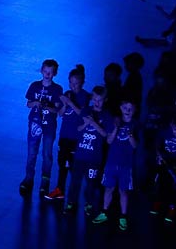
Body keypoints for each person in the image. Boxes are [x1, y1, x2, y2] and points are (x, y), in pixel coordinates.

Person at [93, 99, 141, 230]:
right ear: (121, 108)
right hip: (111, 162)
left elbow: (135, 145)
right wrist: (116, 127)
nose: (128, 111)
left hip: (126, 165)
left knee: (123, 191)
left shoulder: (136, 124)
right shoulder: (115, 121)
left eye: (130, 108)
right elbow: (108, 141)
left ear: (134, 110)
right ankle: (104, 212)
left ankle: (123, 216)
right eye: (125, 107)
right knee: (108, 188)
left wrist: (130, 132)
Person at [64, 87, 111, 216]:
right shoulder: (85, 111)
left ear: (105, 100)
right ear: (92, 99)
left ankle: (89, 204)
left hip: (94, 158)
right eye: (95, 99)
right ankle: (71, 203)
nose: (97, 102)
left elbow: (105, 134)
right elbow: (78, 129)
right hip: (80, 155)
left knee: (91, 183)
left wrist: (93, 123)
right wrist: (86, 123)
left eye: (100, 100)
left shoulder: (106, 115)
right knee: (75, 181)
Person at [21, 58, 62, 198]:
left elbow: (57, 110)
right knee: (32, 152)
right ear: (41, 70)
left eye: (50, 72)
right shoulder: (35, 85)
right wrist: (36, 103)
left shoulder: (57, 89)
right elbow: (28, 104)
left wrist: (47, 106)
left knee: (47, 154)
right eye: (45, 71)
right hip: (35, 123)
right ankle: (28, 178)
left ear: (54, 73)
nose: (47, 74)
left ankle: (45, 181)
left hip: (49, 126)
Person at [50, 65, 89, 201]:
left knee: (74, 167)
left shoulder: (84, 96)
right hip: (64, 135)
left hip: (76, 138)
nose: (73, 86)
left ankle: (74, 195)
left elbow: (82, 114)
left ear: (82, 82)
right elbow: (60, 114)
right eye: (71, 83)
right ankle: (60, 189)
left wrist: (70, 102)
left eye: (76, 84)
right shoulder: (67, 94)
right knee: (62, 164)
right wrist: (65, 104)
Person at [150, 117, 176, 221]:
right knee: (161, 184)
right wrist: (158, 156)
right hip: (165, 160)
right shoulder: (164, 131)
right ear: (171, 126)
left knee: (175, 188)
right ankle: (157, 204)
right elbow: (157, 146)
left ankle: (172, 210)